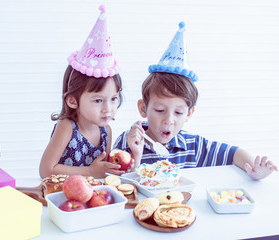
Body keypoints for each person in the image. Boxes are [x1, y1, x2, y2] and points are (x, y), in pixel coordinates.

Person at [113, 22, 277, 180]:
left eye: (178, 112)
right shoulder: (127, 142)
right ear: (143, 108)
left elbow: (233, 153)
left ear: (189, 113)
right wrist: (136, 155)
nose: (169, 120)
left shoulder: (193, 146)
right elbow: (114, 185)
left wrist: (255, 170)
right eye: (160, 110)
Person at [39, 5, 127, 179]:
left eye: (113, 99)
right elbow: (46, 170)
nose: (107, 109)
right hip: (64, 198)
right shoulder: (67, 128)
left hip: (93, 201)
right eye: (97, 100)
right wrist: (89, 172)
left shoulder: (106, 131)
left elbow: (102, 172)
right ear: (73, 101)